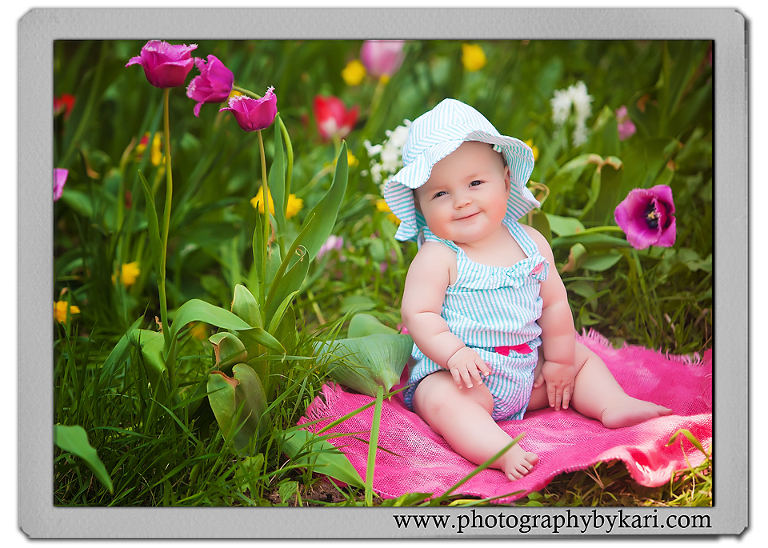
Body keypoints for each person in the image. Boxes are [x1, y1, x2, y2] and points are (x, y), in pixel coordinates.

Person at [383, 99, 672, 481]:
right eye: (440, 194)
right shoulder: (438, 256)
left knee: (580, 359)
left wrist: (558, 362)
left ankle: (612, 403)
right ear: (420, 205)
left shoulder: (531, 242)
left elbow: (553, 304)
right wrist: (453, 355)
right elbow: (418, 314)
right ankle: (497, 449)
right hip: (466, 378)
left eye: (475, 183)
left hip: (529, 371)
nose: (462, 200)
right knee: (439, 399)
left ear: (505, 181)